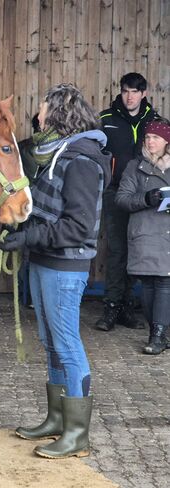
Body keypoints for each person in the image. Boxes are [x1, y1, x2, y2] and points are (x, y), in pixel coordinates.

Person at [0, 84, 111, 459]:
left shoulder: (80, 160)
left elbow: (78, 227)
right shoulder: (58, 154)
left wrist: (30, 238)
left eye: (43, 107)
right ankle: (57, 418)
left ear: (59, 113)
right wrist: (21, 229)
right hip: (45, 261)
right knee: (51, 345)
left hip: (64, 266)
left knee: (67, 344)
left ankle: (77, 432)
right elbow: (49, 210)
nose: (38, 114)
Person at [96, 73, 158, 331]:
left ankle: (127, 307)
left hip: (145, 197)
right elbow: (93, 153)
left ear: (144, 94)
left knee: (138, 251)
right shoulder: (105, 120)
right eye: (125, 91)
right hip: (114, 192)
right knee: (117, 250)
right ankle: (111, 307)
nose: (129, 96)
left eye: (134, 92)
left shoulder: (155, 122)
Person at [114, 120, 170, 355]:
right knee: (148, 284)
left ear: (166, 141)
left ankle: (157, 335)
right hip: (145, 232)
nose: (150, 141)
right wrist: (147, 199)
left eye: (155, 138)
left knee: (165, 283)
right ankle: (158, 331)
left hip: (167, 234)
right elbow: (121, 199)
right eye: (147, 137)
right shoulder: (134, 167)